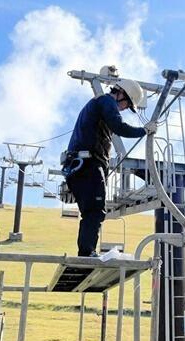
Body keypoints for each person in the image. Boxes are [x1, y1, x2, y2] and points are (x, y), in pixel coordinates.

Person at [63, 78, 156, 256]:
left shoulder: (97, 106)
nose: (123, 108)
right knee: (95, 211)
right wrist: (144, 130)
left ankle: (86, 252)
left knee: (91, 212)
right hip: (88, 166)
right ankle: (87, 253)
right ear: (120, 94)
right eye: (126, 104)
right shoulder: (106, 101)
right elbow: (119, 126)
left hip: (79, 167)